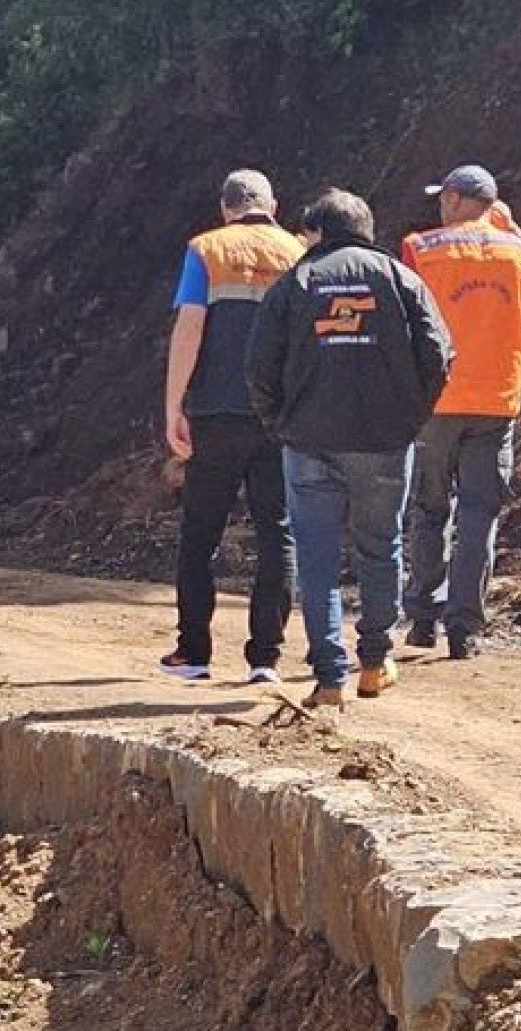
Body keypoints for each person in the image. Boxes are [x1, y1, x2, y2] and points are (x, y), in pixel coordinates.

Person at [245, 188, 453, 708]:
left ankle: (330, 676)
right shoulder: (400, 279)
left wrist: (279, 423)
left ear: (317, 231)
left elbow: (258, 365)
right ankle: (376, 661)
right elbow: (438, 353)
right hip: (384, 442)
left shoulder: (295, 282)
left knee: (315, 561)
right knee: (380, 547)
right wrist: (410, 416)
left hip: (308, 442)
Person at [399, 164, 521, 659]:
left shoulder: (421, 248)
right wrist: (510, 227)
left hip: (435, 400)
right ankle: (464, 628)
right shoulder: (518, 253)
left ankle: (422, 616)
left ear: (451, 199)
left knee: (429, 508)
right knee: (479, 514)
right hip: (496, 403)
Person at [159, 169, 307, 682]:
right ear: (274, 205)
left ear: (226, 208)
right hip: (278, 418)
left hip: (215, 413)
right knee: (278, 534)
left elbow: (190, 327)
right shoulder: (297, 253)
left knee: (201, 532)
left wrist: (174, 405)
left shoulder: (207, 249)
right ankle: (265, 658)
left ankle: (193, 653)